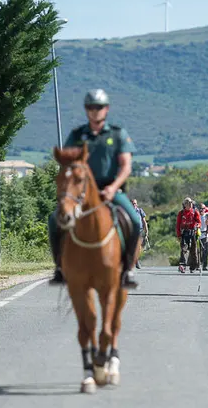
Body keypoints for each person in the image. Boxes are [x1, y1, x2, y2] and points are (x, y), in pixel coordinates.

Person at [47, 89, 141, 289]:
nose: (94, 111)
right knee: (54, 219)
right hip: (81, 192)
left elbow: (126, 166)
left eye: (98, 107)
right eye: (91, 107)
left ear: (106, 109)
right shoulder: (77, 135)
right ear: (86, 110)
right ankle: (60, 268)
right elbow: (68, 162)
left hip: (111, 190)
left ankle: (128, 270)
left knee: (135, 221)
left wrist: (113, 188)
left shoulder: (117, 134)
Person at [175, 197, 201, 272]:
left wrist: (197, 226)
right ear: (184, 204)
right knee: (184, 249)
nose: (189, 204)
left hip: (193, 232)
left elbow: (199, 222)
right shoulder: (181, 213)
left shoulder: (195, 212)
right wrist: (179, 235)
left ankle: (193, 267)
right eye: (187, 203)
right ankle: (182, 265)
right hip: (184, 233)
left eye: (190, 203)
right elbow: (178, 225)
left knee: (193, 250)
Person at [132, 198, 148, 269]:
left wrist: (146, 230)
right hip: (131, 231)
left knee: (139, 247)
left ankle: (136, 260)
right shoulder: (129, 211)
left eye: (135, 203)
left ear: (137, 204)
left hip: (140, 231)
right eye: (132, 203)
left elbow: (144, 221)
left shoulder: (140, 211)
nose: (133, 205)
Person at [198, 202, 208, 271]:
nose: (202, 210)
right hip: (198, 234)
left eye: (203, 208)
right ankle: (198, 264)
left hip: (205, 234)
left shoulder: (207, 215)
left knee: (205, 250)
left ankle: (204, 265)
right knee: (199, 251)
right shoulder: (197, 216)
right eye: (200, 208)